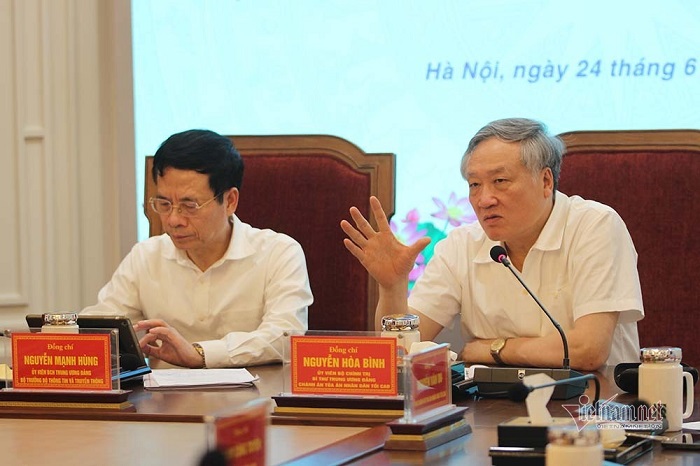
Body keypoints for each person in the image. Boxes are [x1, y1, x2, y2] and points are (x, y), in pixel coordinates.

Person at [341, 118, 643, 371]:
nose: (484, 200)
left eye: (500, 181)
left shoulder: (595, 226)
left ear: (546, 181)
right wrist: (393, 287)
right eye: (474, 185)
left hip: (593, 408)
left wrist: (492, 349)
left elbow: (588, 350)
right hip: (490, 410)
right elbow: (400, 352)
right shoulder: (462, 244)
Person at [82, 129, 312, 368]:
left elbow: (285, 337)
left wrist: (200, 354)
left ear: (230, 201)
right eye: (164, 204)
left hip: (258, 392)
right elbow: (102, 327)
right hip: (163, 393)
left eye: (189, 206)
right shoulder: (146, 257)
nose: (173, 220)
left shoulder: (279, 253)